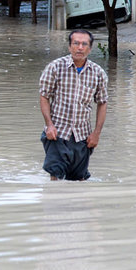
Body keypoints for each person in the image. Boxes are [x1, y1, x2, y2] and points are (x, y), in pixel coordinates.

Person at [38, 29, 108, 181]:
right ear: (70, 47)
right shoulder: (55, 67)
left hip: (83, 136)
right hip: (57, 134)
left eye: (84, 44)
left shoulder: (98, 73)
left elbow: (102, 103)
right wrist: (49, 125)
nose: (80, 48)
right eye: (76, 43)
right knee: (56, 178)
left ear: (90, 48)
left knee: (79, 180)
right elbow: (44, 96)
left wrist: (96, 133)